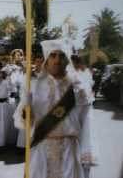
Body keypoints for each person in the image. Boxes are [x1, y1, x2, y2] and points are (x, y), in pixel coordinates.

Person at [14, 39, 96, 178]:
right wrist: (25, 111)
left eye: (61, 55)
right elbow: (24, 122)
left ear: (67, 60)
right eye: (53, 55)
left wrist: (86, 154)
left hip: (69, 150)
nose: (57, 60)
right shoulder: (34, 85)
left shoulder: (80, 87)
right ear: (47, 59)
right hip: (42, 148)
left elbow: (87, 123)